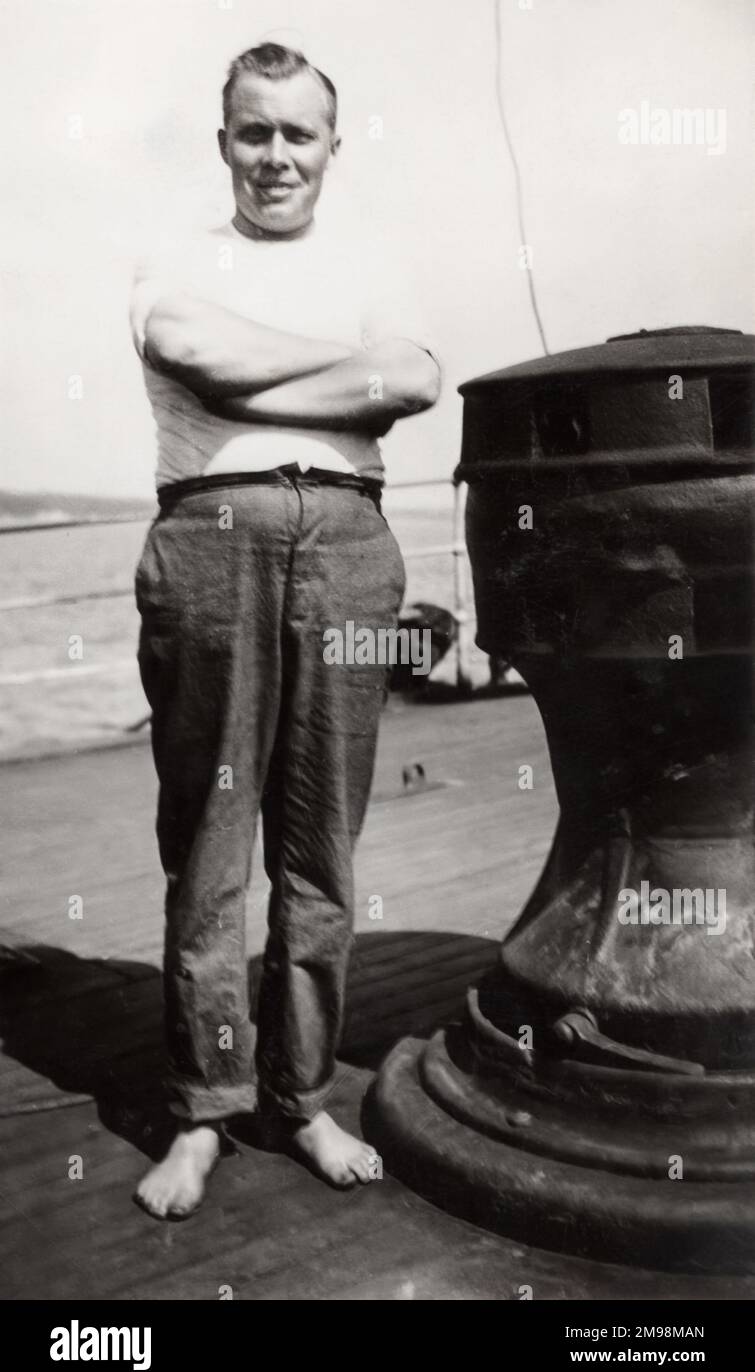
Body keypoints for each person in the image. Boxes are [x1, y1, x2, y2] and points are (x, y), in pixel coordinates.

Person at [129, 42, 440, 1219]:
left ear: (328, 147)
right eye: (252, 132)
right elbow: (195, 353)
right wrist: (343, 368)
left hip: (351, 551)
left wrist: (262, 383)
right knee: (212, 843)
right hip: (211, 542)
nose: (273, 156)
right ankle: (205, 1109)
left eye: (295, 134)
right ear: (224, 143)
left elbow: (411, 377)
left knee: (322, 846)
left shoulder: (375, 259)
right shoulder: (177, 253)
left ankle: (299, 1097)